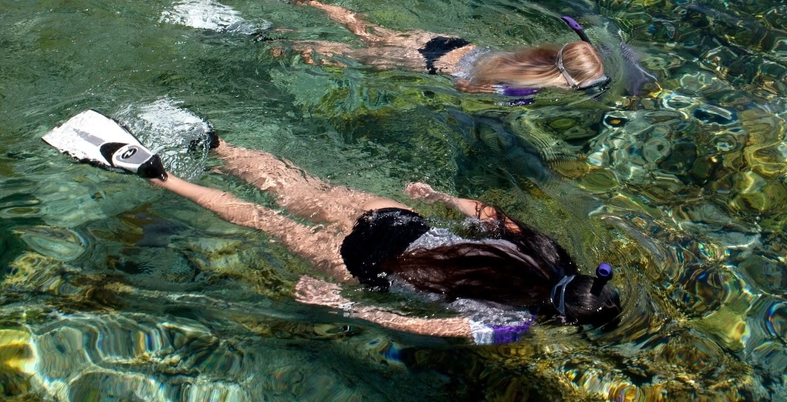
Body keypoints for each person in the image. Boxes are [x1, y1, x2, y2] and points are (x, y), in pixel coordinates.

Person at [42, 109, 624, 344]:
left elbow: (495, 218)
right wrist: (343, 305)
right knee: (264, 221)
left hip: (399, 222)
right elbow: (421, 327)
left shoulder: (554, 254)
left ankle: (214, 142)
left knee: (300, 188)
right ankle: (162, 178)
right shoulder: (512, 323)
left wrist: (435, 194)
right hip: (372, 265)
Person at [199, 0, 610, 96]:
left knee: (367, 29)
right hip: (427, 63)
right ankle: (270, 38)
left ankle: (306, 0)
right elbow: (467, 88)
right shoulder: (523, 89)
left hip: (445, 41)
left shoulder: (531, 56)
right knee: (344, 52)